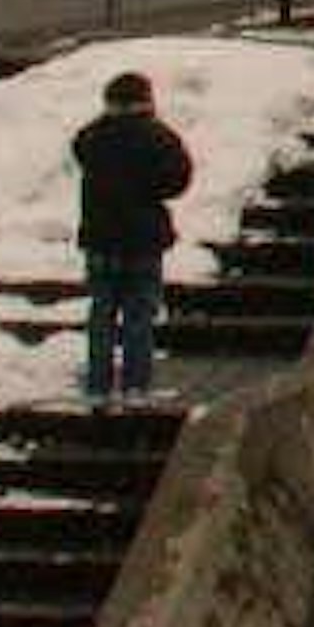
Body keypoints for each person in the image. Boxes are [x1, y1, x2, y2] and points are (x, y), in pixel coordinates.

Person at [71, 70, 193, 408]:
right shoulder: (158, 137)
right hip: (143, 240)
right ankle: (136, 386)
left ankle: (98, 385)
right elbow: (179, 179)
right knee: (139, 315)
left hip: (100, 240)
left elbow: (79, 150)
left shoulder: (92, 137)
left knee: (102, 314)